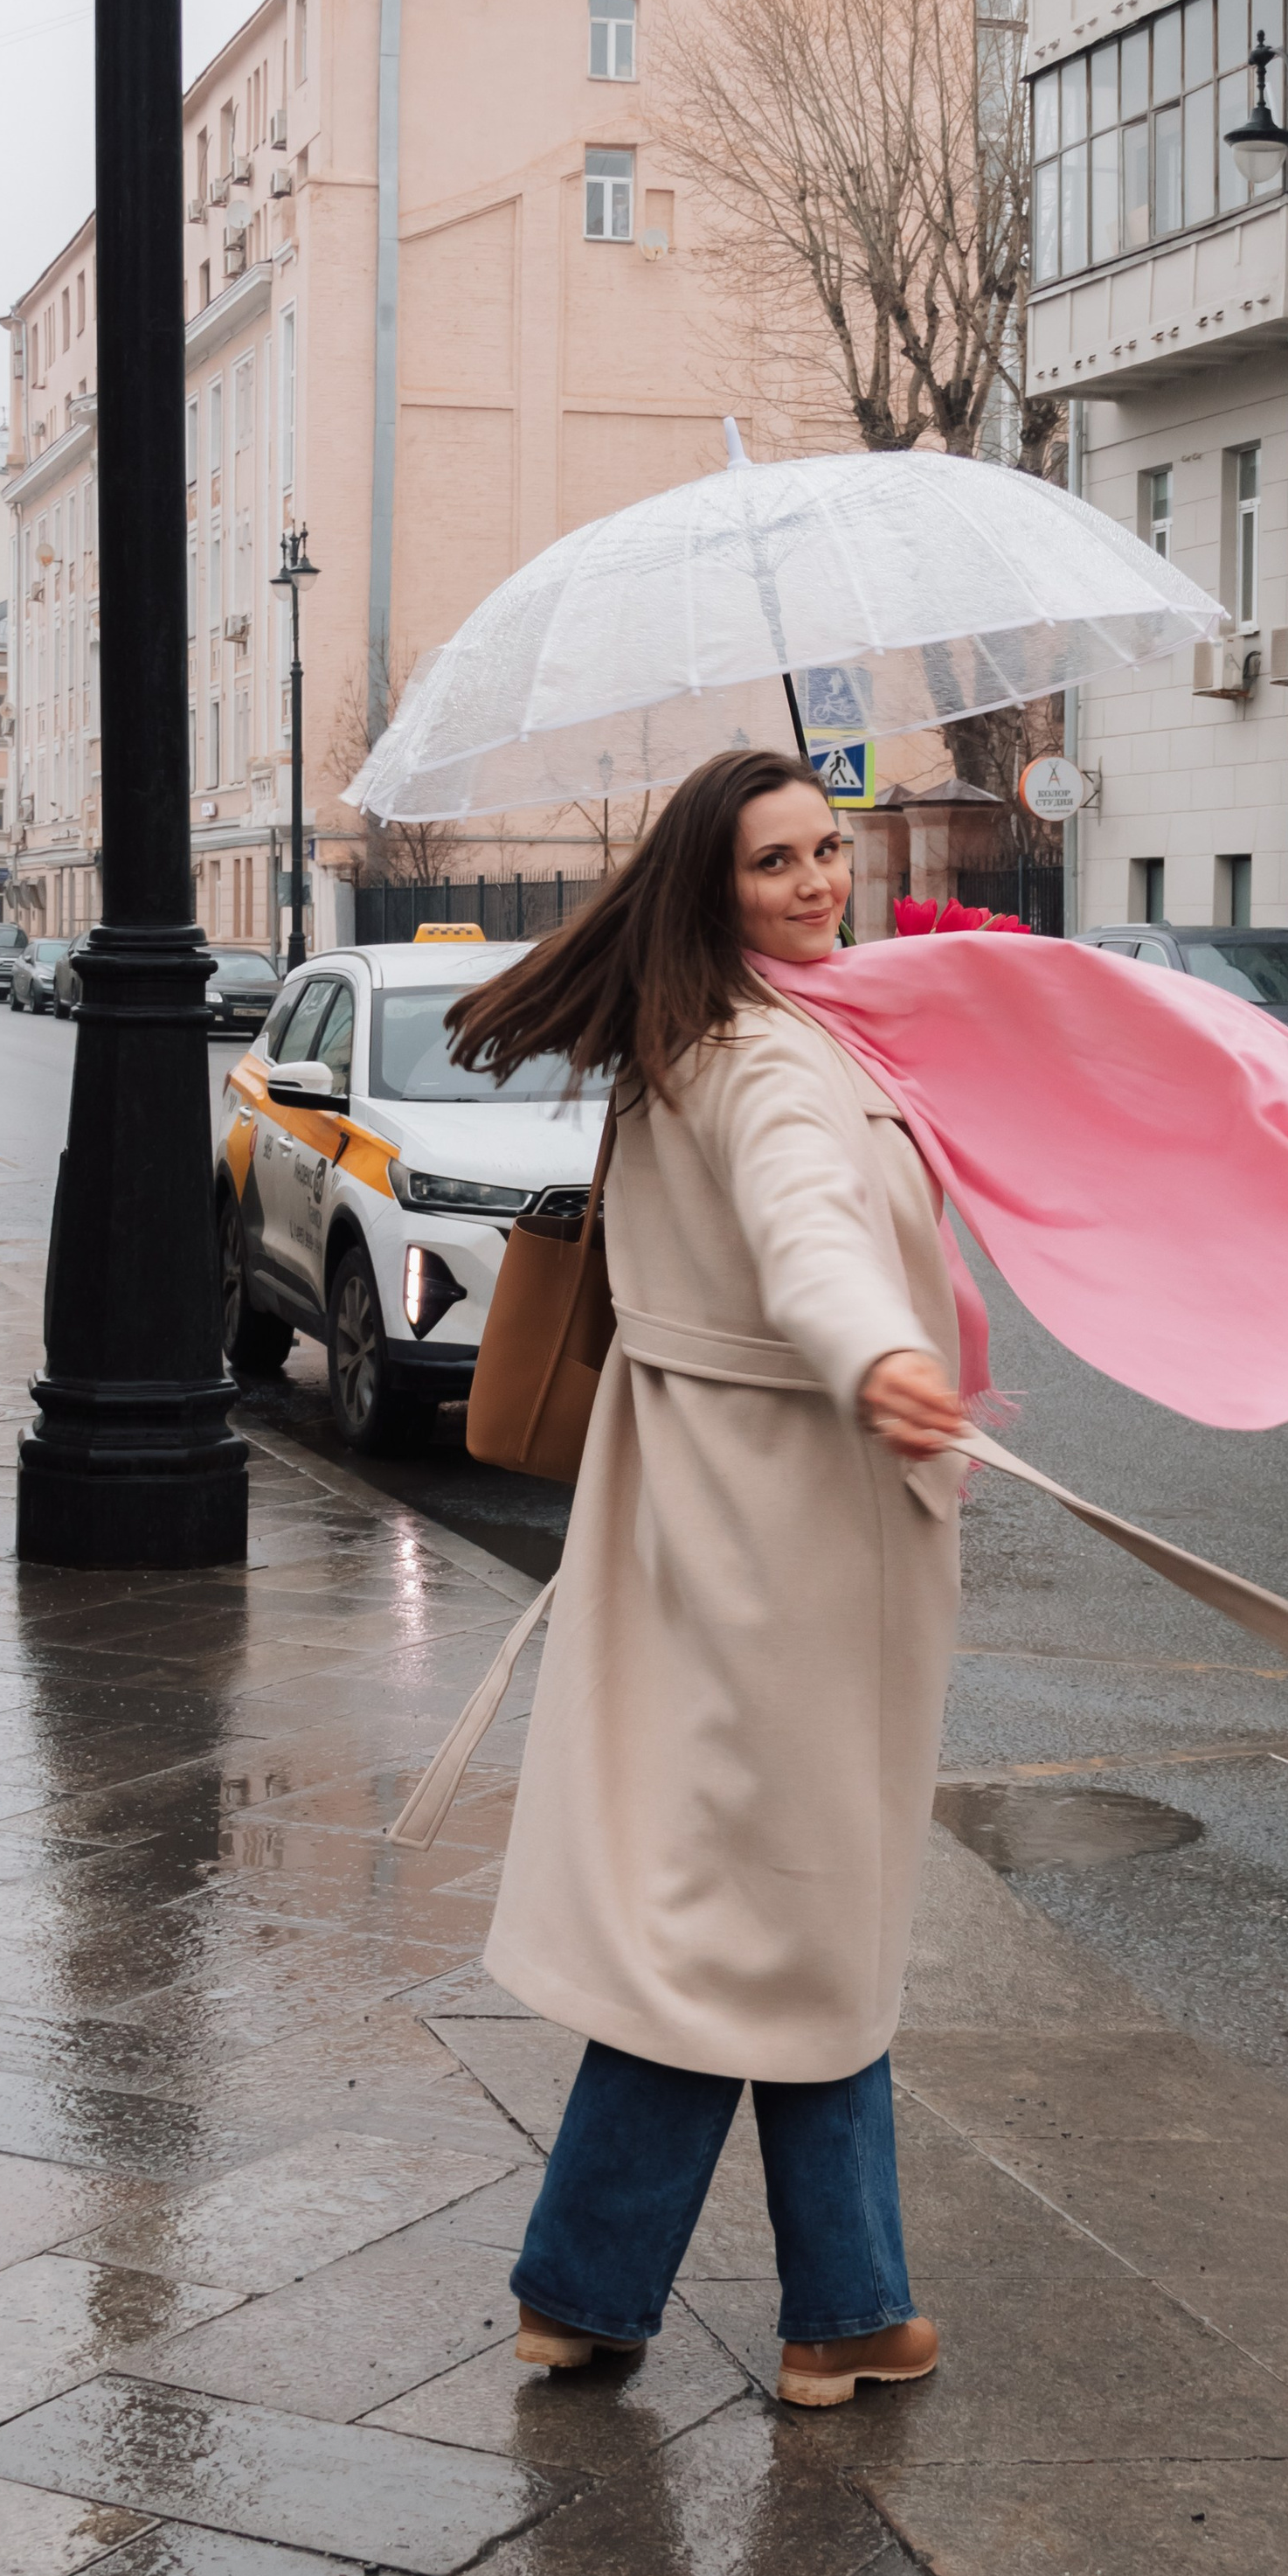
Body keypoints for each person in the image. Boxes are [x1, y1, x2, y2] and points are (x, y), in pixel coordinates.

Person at [447, 746, 967, 2408]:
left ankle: (655, 2294)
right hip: (793, 1543)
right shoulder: (762, 1061)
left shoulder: (689, 1039)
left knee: (736, 1916)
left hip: (703, 1514)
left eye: (830, 849)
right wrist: (879, 1351)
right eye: (775, 863)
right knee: (797, 1918)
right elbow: (808, 1231)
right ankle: (810, 2311)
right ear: (708, 885)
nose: (820, 882)